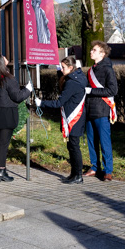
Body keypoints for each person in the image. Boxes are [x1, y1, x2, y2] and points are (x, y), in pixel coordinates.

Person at [35, 55, 88, 184]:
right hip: (76, 116)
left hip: (74, 117)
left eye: (63, 67)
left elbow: (59, 103)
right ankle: (74, 173)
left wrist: (41, 103)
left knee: (74, 146)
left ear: (71, 67)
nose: (61, 69)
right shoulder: (78, 77)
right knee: (71, 146)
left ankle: (78, 176)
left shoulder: (72, 83)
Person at [0, 54, 32, 182]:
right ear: (1, 62)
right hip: (6, 115)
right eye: (3, 57)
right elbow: (17, 97)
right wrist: (28, 90)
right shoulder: (8, 79)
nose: (6, 58)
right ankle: (1, 171)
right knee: (3, 144)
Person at [83, 41, 118, 181]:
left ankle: (107, 170)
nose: (91, 52)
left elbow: (113, 90)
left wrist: (92, 91)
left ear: (102, 54)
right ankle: (94, 167)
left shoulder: (108, 69)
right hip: (90, 109)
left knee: (104, 141)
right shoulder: (91, 70)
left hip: (102, 110)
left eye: (94, 50)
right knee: (91, 141)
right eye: (92, 49)